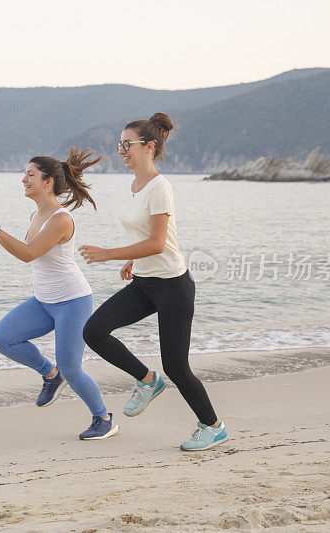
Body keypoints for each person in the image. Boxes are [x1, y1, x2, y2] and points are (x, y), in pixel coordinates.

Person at [78, 113, 228, 451]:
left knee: (176, 365)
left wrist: (110, 254)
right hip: (145, 282)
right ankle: (147, 381)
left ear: (149, 147)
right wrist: (133, 259)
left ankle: (212, 426)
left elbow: (159, 243)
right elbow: (145, 234)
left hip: (173, 287)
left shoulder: (161, 186)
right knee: (94, 331)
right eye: (120, 145)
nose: (121, 150)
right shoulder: (134, 186)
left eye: (127, 145)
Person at [0, 147, 118, 440]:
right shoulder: (36, 213)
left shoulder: (61, 219)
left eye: (30, 174)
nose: (23, 179)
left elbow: (29, 254)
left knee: (72, 367)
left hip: (72, 301)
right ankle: (50, 375)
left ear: (48, 181)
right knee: (3, 338)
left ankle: (103, 419)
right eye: (24, 174)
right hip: (43, 301)